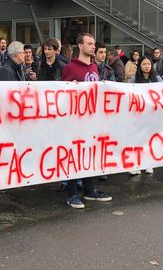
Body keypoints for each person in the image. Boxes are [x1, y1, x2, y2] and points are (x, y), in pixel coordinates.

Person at [61, 33, 112, 209]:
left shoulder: (94, 68)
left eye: (93, 44)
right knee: (75, 156)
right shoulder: (70, 68)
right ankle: (72, 193)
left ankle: (89, 190)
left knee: (90, 154)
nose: (93, 47)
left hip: (92, 120)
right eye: (89, 44)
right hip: (75, 122)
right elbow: (62, 94)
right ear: (80, 46)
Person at [128, 56, 162, 174]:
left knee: (149, 140)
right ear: (140, 66)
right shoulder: (134, 79)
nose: (147, 66)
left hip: (152, 115)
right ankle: (135, 164)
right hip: (138, 115)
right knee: (137, 140)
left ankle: (148, 163)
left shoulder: (157, 78)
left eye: (149, 64)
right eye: (144, 64)